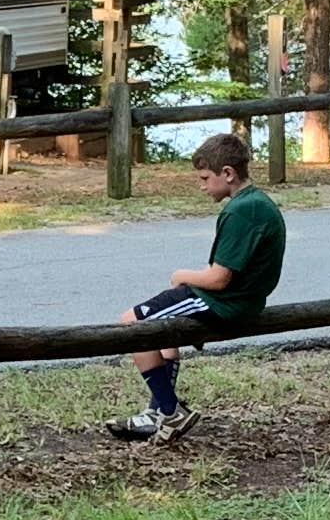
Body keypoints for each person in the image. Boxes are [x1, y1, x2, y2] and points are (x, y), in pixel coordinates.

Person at [111, 129, 285, 441]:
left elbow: (218, 278)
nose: (201, 186)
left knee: (131, 326)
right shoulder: (258, 202)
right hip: (243, 301)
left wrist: (182, 276)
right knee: (163, 333)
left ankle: (170, 412)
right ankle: (156, 412)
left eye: (205, 178)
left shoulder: (242, 210)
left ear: (228, 173)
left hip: (224, 303)